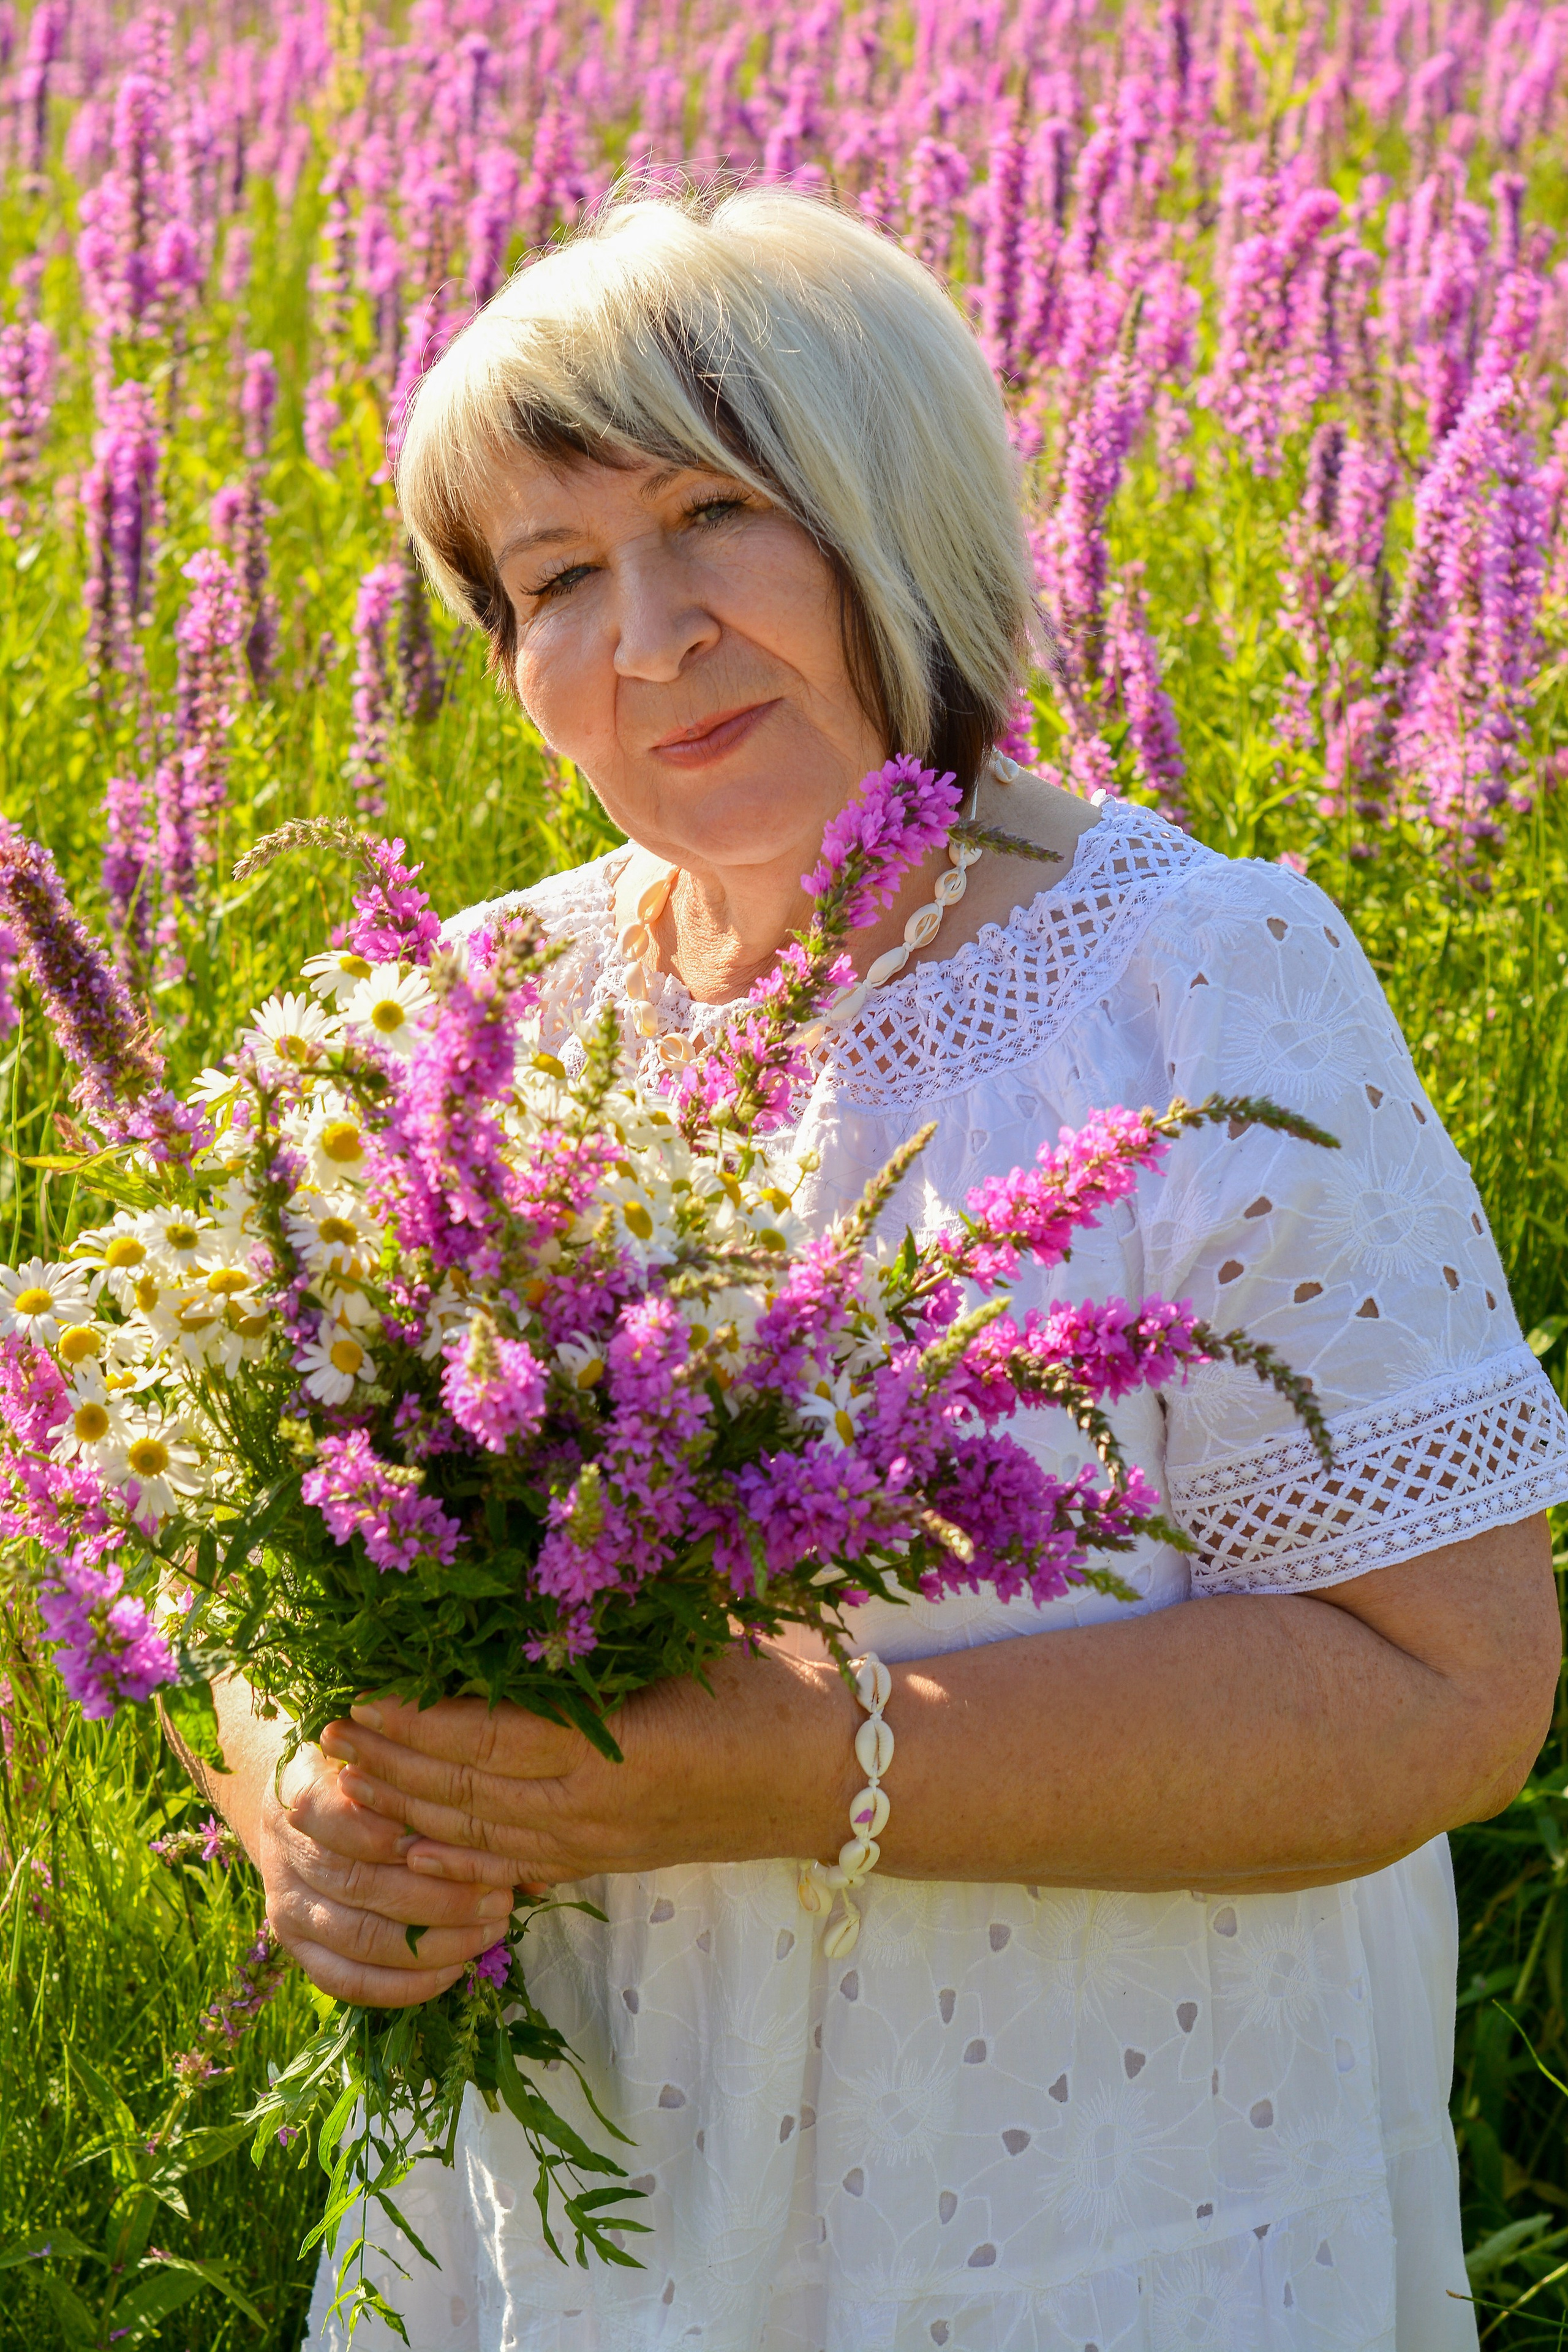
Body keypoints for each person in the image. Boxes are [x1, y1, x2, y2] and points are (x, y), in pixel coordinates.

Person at [205, 189, 1568, 2352]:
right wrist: (307, 1805)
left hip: (1080, 2195)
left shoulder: (1197, 988)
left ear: (894, 509)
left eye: (715, 518)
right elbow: (269, 1562)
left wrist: (764, 1756)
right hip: (583, 2200)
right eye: (556, 579)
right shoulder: (461, 1024)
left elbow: (1451, 1692)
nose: (647, 637)